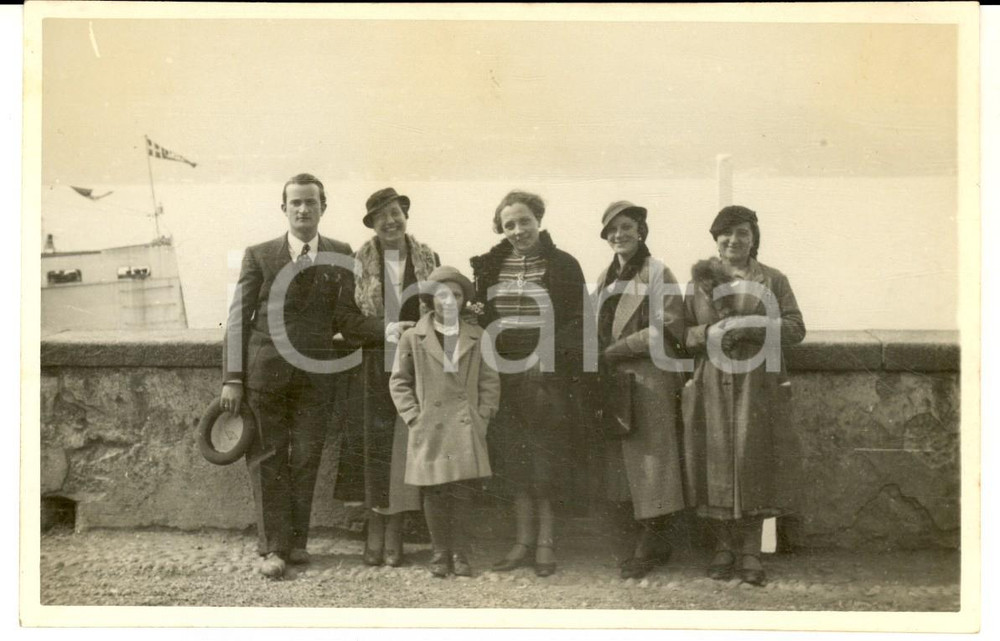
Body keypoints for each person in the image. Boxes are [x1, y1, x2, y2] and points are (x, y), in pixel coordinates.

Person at [220, 173, 383, 579]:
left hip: (317, 376)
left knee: (307, 458)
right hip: (266, 374)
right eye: (295, 203)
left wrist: (392, 327)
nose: (303, 209)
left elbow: (346, 315)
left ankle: (296, 543)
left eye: (311, 202)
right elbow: (237, 320)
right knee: (267, 457)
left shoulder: (342, 254)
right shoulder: (259, 255)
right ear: (284, 209)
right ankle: (272, 547)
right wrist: (233, 377)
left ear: (323, 207)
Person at [682, 205, 806, 587]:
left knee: (753, 463)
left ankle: (750, 551)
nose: (734, 240)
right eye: (726, 234)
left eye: (742, 233)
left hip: (759, 385)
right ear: (715, 238)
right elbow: (683, 334)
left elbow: (795, 328)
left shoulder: (773, 280)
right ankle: (723, 548)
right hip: (712, 384)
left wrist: (753, 323)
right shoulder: (700, 283)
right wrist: (708, 334)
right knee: (715, 462)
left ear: (754, 238)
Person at [470, 190, 588, 577]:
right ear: (500, 229)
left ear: (538, 220)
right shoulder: (490, 266)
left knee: (545, 457)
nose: (518, 231)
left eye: (524, 222)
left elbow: (577, 322)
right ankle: (521, 541)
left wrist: (546, 355)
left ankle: (546, 543)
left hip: (546, 373)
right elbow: (483, 317)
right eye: (509, 225)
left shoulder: (563, 265)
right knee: (512, 457)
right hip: (502, 371)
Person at [333, 187, 440, 567]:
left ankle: (394, 531)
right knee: (374, 451)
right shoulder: (357, 263)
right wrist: (385, 329)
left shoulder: (429, 258)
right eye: (382, 217)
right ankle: (374, 529)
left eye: (395, 213)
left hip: (417, 367)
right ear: (373, 225)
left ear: (405, 215)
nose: (390, 222)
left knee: (404, 449)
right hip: (373, 368)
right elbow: (344, 318)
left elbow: (445, 309)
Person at [594, 201, 687, 580]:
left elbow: (668, 328)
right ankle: (639, 537)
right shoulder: (604, 277)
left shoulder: (657, 272)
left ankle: (653, 540)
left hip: (650, 378)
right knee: (623, 461)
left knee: (653, 459)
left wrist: (615, 350)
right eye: (612, 230)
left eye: (626, 227)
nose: (619, 235)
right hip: (617, 381)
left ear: (641, 231)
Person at [389, 266, 501, 578]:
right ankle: (439, 551)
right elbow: (399, 381)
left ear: (464, 300)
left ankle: (460, 552)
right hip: (430, 424)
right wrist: (414, 416)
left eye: (456, 294)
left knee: (463, 489)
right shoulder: (413, 337)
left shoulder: (478, 337)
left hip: (465, 425)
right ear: (429, 299)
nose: (448, 301)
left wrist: (483, 415)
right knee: (434, 491)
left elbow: (490, 381)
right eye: (441, 295)